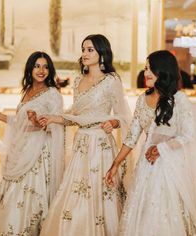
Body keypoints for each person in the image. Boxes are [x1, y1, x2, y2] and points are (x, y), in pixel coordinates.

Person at [106, 50, 196, 236]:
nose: (146, 73)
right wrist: (115, 163)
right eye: (145, 68)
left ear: (163, 71)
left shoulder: (179, 100)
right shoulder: (141, 100)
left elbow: (187, 134)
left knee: (169, 211)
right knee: (143, 210)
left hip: (170, 165)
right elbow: (132, 137)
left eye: (151, 69)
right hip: (146, 166)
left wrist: (161, 148)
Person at [38, 34, 131, 236]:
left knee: (101, 193)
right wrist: (54, 118)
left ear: (102, 52)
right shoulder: (79, 80)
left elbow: (123, 116)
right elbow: (75, 115)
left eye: (90, 50)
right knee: (75, 191)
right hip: (81, 144)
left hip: (101, 144)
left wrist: (113, 122)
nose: (85, 54)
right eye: (83, 49)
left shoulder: (111, 80)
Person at [0, 51, 64, 236]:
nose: (41, 70)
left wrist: (39, 121)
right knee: (11, 195)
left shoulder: (53, 94)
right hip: (21, 150)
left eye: (45, 66)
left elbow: (56, 125)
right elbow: (22, 123)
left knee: (28, 197)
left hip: (37, 156)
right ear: (30, 68)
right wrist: (1, 117)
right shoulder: (27, 91)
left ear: (50, 70)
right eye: (37, 66)